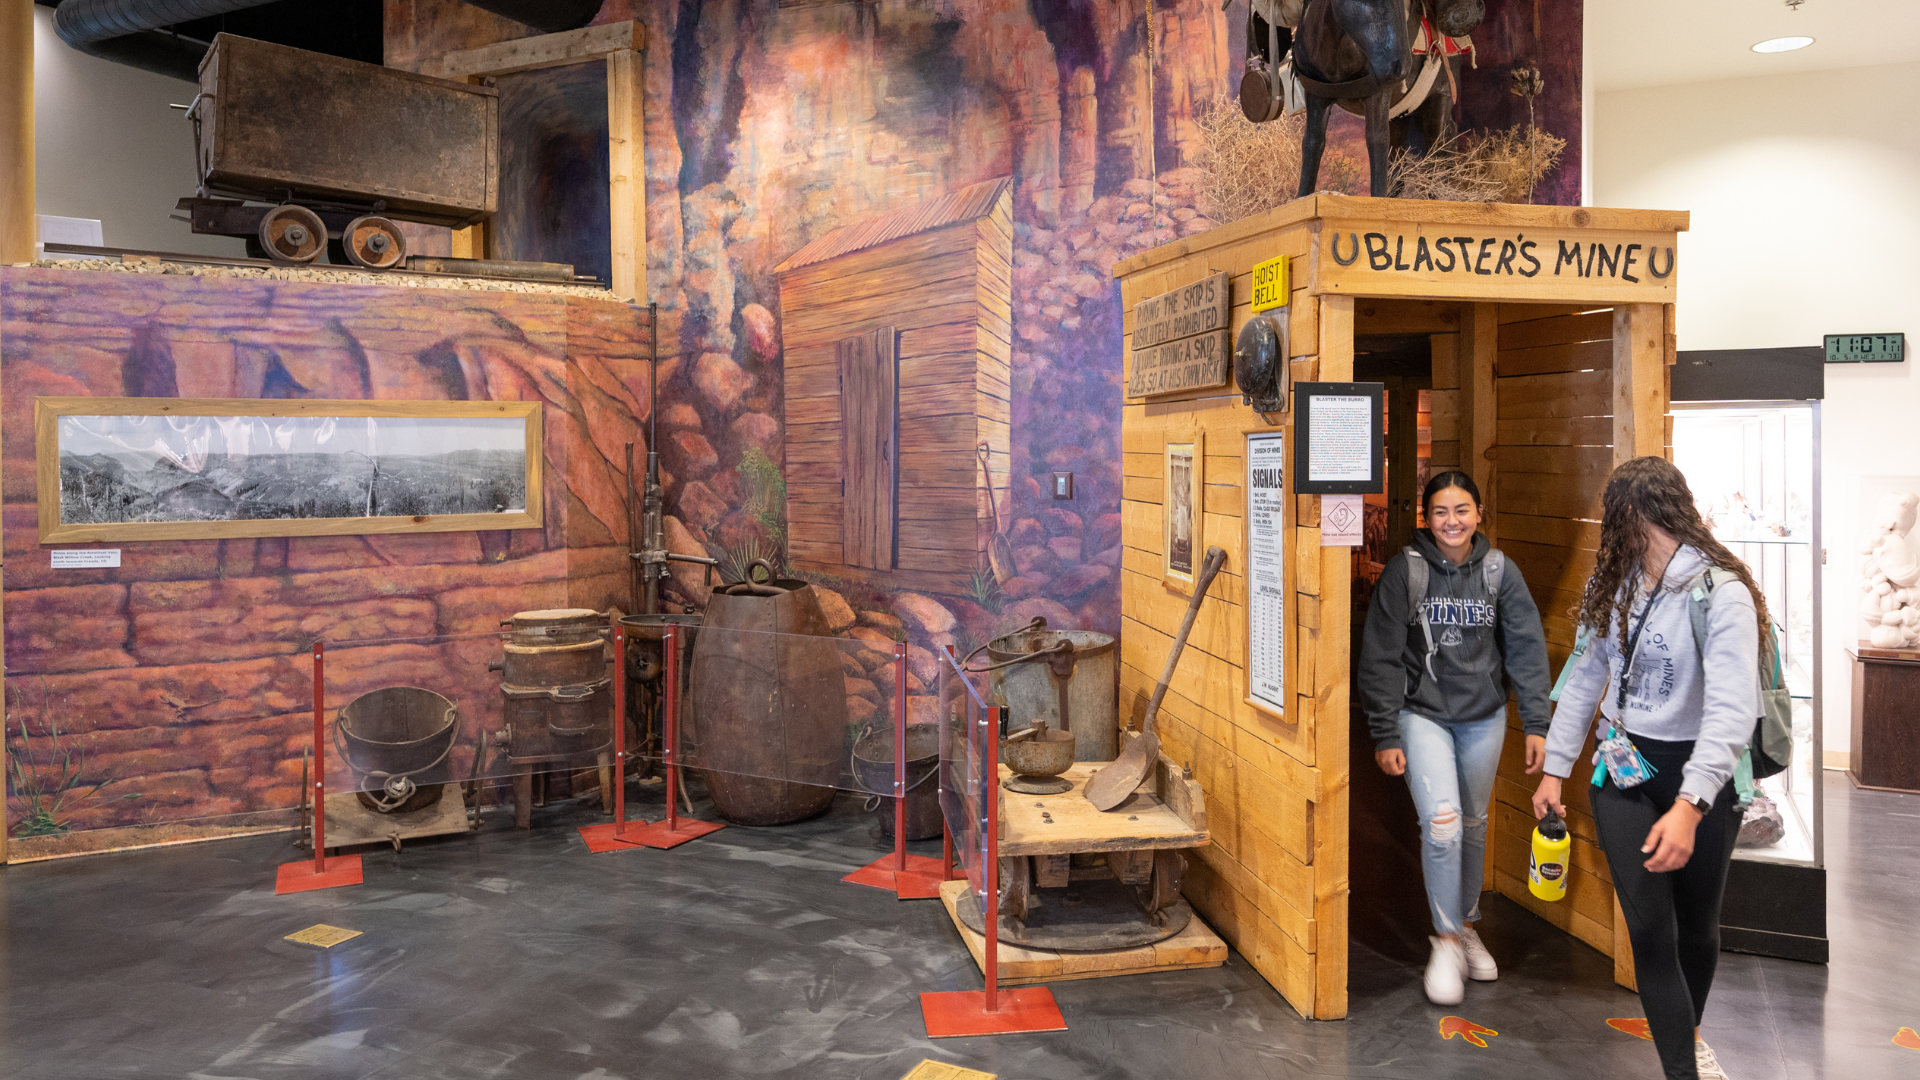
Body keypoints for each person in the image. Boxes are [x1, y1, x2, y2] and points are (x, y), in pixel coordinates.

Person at [1532, 456, 1765, 1080]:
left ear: (1632, 515)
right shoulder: (1613, 584)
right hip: (1623, 769)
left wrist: (1691, 806)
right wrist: (1555, 768)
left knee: (1697, 927)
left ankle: (1688, 1034)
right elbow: (1584, 677)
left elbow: (1731, 710)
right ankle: (1683, 1072)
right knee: (1651, 932)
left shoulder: (1723, 594)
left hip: (1703, 776)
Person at [1358, 470, 1552, 1005]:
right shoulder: (1406, 573)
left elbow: (1527, 649)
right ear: (1426, 518)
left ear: (1479, 514)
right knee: (1441, 825)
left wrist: (1536, 723)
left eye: (1461, 510)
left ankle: (1467, 926)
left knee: (1471, 824)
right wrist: (1384, 730)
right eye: (1440, 512)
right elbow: (1379, 658)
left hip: (1484, 717)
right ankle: (1444, 941)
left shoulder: (1498, 572)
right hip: (1422, 716)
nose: (1451, 521)